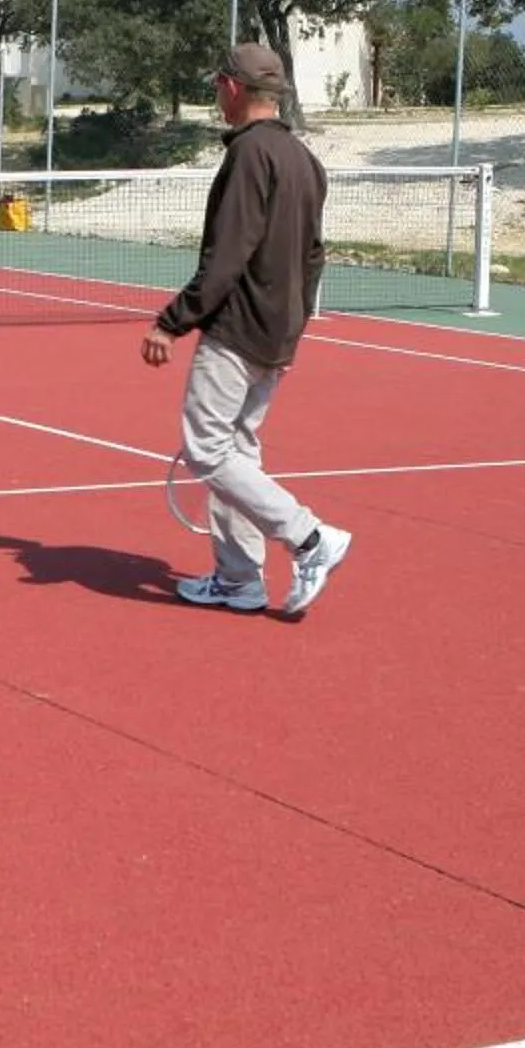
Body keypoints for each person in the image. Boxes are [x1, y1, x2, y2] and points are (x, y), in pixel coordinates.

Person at [141, 42, 349, 617]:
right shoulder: (304, 160)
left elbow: (226, 254)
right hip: (275, 334)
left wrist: (172, 321)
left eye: (217, 85)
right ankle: (238, 579)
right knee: (238, 450)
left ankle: (310, 538)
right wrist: (293, 330)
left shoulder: (248, 157)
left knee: (207, 449)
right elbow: (314, 258)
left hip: (236, 331)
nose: (216, 94)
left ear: (233, 88)